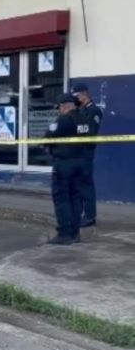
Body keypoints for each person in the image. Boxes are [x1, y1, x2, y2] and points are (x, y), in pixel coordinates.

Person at [44, 93, 92, 245]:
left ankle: (64, 234)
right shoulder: (85, 119)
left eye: (59, 108)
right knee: (76, 198)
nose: (59, 111)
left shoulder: (64, 119)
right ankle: (75, 233)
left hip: (64, 164)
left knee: (62, 198)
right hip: (81, 163)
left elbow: (48, 136)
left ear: (64, 107)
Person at [72, 82, 103, 227]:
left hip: (86, 152)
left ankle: (90, 216)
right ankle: (80, 214)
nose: (76, 99)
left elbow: (89, 131)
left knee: (86, 185)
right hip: (78, 152)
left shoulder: (94, 111)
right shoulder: (81, 110)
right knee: (78, 184)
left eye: (77, 96)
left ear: (83, 94)